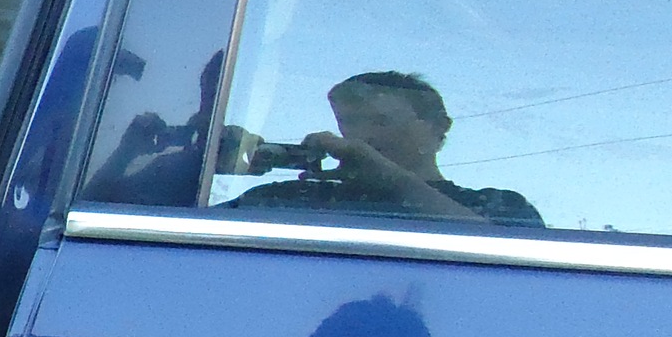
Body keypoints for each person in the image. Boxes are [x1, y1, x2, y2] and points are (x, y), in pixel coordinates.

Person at [223, 70, 542, 227]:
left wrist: (395, 182)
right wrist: (209, 161)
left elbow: (517, 274)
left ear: (437, 129)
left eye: (381, 121)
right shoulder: (289, 198)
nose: (361, 135)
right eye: (349, 122)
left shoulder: (501, 207)